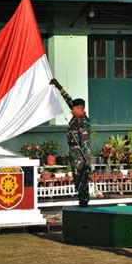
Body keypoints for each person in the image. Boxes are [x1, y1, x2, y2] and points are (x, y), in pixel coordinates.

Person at [50, 78, 92, 207]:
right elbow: (68, 100)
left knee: (81, 180)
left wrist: (87, 161)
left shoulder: (83, 122)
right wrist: (58, 86)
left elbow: (85, 143)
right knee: (77, 179)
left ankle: (84, 201)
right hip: (74, 155)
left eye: (73, 109)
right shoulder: (76, 116)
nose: (70, 110)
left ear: (80, 109)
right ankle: (81, 199)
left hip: (80, 156)